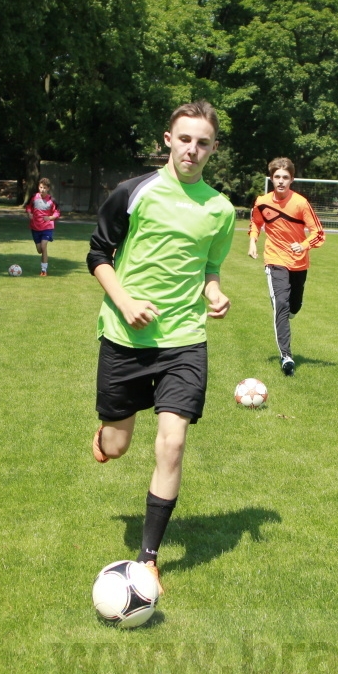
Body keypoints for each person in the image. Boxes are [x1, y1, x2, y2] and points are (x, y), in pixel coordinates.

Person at [86, 101, 235, 596]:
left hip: (184, 340)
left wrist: (214, 292)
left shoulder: (220, 209)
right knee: (118, 446)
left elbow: (210, 268)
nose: (193, 150)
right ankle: (107, 433)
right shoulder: (133, 192)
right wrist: (126, 302)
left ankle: (148, 558)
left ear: (213, 148)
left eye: (203, 143)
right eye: (185, 139)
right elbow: (98, 253)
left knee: (172, 443)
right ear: (168, 140)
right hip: (125, 337)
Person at [248, 157, 324, 376]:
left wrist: (303, 245)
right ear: (271, 178)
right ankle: (286, 356)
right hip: (275, 259)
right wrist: (253, 241)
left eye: (285, 177)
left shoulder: (300, 203)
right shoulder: (262, 202)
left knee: (293, 307)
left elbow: (318, 233)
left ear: (291, 180)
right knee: (280, 304)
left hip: (298, 262)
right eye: (277, 177)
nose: (281, 181)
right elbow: (256, 222)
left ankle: (292, 308)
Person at [24, 177, 61, 276]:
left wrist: (50, 217)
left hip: (47, 227)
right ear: (38, 187)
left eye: (44, 188)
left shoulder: (52, 200)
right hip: (35, 227)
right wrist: (29, 213)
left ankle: (44, 270)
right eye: (40, 187)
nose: (42, 190)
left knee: (44, 246)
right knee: (39, 249)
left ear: (48, 188)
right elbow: (28, 207)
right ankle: (43, 265)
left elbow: (57, 213)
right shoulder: (33, 197)